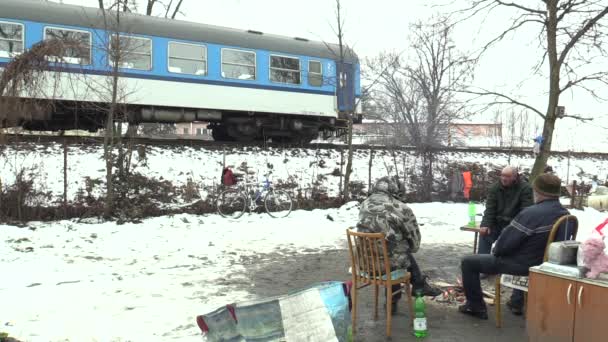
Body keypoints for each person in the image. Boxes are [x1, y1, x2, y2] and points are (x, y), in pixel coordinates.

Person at [459, 173, 572, 319]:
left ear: (537, 191)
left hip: (524, 265)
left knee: (468, 262)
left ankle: (475, 306)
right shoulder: (566, 215)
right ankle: (516, 302)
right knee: (524, 254)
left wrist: (497, 253)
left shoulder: (531, 213)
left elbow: (504, 245)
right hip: (547, 265)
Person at [357, 176, 441, 314]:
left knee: (389, 248)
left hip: (363, 263)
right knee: (398, 251)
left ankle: (396, 299)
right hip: (386, 267)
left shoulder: (364, 204)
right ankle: (418, 285)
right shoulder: (401, 208)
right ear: (396, 190)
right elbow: (415, 245)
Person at [478, 166, 533, 255]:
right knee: (485, 234)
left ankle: (501, 262)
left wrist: (513, 226)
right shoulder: (495, 188)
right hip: (498, 223)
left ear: (515, 177)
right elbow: (490, 209)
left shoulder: (525, 189)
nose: (504, 178)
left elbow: (525, 212)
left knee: (506, 243)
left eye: (507, 176)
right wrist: (485, 224)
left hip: (514, 224)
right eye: (502, 175)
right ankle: (481, 262)